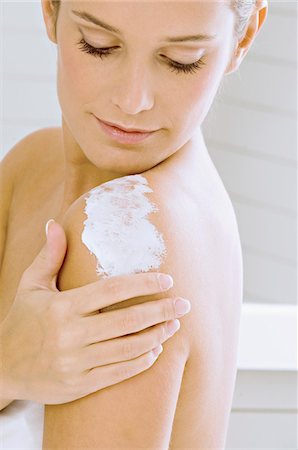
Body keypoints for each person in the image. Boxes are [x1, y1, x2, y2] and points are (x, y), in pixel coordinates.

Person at [0, 0, 268, 448]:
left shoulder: (125, 236)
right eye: (98, 45)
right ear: (50, 9)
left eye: (181, 62)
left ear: (242, 39)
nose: (133, 100)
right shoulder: (30, 167)